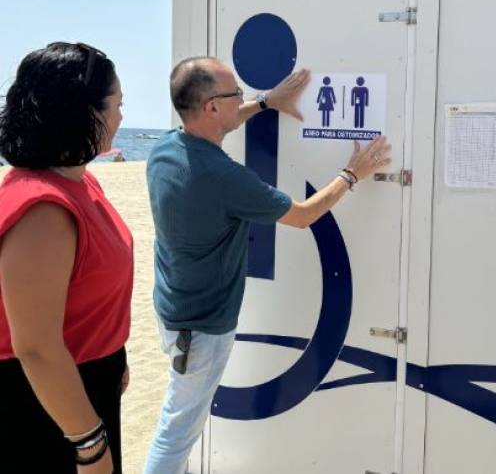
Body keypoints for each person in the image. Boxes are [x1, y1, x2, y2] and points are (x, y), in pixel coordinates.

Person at [143, 57, 391, 474]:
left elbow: (225, 118)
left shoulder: (165, 148)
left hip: (172, 311)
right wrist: (352, 174)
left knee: (181, 413)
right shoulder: (223, 177)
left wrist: (265, 102)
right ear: (210, 106)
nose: (240, 98)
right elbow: (303, 214)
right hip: (202, 328)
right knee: (178, 428)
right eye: (234, 93)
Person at [0, 42, 133, 473]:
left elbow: (90, 291)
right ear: (86, 113)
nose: (121, 117)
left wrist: (117, 358)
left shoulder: (80, 180)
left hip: (85, 381)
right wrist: (90, 444)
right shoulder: (42, 209)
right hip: (47, 401)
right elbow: (36, 347)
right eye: (117, 105)